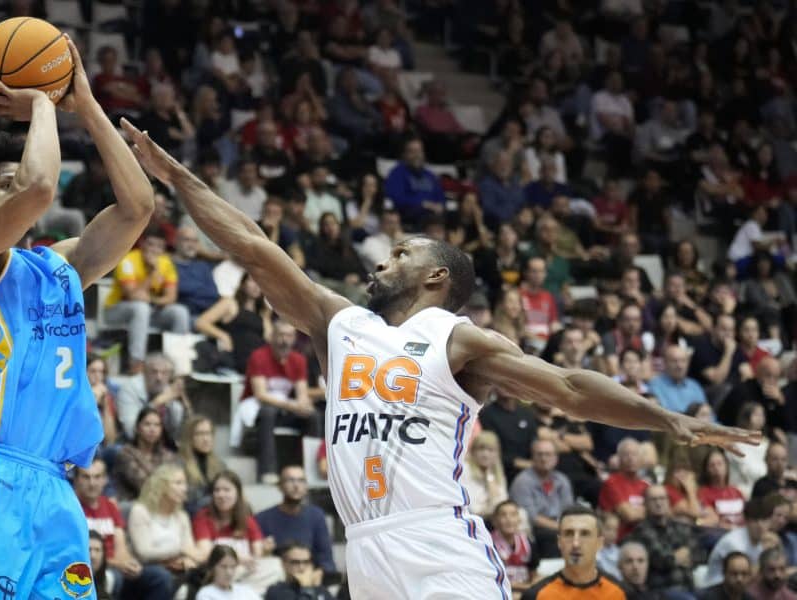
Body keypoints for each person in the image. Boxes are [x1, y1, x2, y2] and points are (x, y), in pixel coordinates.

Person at [123, 119, 759, 600]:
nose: (381, 261)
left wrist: (664, 418)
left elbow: (566, 386)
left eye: (401, 254)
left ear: (436, 278)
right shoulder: (339, 323)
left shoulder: (457, 339)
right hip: (364, 549)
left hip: (437, 540)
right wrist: (178, 178)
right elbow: (258, 250)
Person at [0, 37, 156, 599]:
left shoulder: (60, 267)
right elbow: (39, 187)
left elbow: (138, 208)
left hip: (57, 491)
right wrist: (40, 105)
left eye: (15, 178)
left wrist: (85, 104)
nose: (17, 190)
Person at [233, 320, 319, 483]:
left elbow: (301, 392)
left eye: (288, 336)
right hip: (257, 407)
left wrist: (302, 405)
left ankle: (307, 470)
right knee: (268, 412)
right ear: (272, 337)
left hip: (284, 407)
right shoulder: (259, 356)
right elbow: (260, 395)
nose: (284, 340)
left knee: (312, 416)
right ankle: (268, 471)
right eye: (280, 335)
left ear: (294, 339)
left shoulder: (298, 360)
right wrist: (292, 405)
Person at [75, 458, 174, 599]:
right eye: (86, 477)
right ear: (77, 480)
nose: (92, 483)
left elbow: (120, 548)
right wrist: (117, 564)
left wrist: (129, 564)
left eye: (97, 477)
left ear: (105, 480)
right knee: (113, 577)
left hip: (116, 567)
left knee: (159, 576)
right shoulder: (72, 507)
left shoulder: (110, 506)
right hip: (87, 567)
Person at [104, 226, 191, 373]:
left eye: (159, 246)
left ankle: (177, 367)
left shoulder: (166, 263)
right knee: (140, 308)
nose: (154, 250)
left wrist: (152, 300)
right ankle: (136, 363)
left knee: (179, 312)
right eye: (151, 244)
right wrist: (152, 273)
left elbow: (171, 297)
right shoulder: (128, 260)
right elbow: (133, 296)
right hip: (116, 311)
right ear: (143, 243)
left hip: (149, 310)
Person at [192, 471, 284, 593]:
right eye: (217, 490)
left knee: (276, 565)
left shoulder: (247, 519)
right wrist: (237, 558)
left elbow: (257, 554)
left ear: (237, 493)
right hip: (217, 572)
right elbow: (205, 553)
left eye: (226, 490)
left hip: (243, 573)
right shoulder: (203, 517)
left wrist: (265, 548)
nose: (221, 495)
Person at [521, 506, 628, 599]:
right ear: (559, 542)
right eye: (569, 534)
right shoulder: (535, 596)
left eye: (585, 534)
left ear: (599, 543)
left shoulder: (621, 594)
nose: (576, 543)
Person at [127, 464, 204, 594]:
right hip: (146, 571)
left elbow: (189, 550)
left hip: (175, 569)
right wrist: (179, 550)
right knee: (162, 576)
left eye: (184, 483)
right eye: (178, 483)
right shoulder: (140, 511)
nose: (184, 488)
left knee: (200, 574)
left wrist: (186, 561)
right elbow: (144, 552)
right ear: (161, 485)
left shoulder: (182, 516)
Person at [256, 465, 336, 573]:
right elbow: (258, 560)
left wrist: (317, 575)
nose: (296, 485)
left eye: (301, 480)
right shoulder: (262, 519)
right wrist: (264, 552)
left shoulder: (316, 516)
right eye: (290, 480)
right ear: (280, 486)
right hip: (276, 577)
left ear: (306, 487)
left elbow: (326, 558)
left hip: (310, 577)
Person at [626, 485, 703, 594]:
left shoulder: (679, 526)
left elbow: (699, 554)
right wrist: (680, 556)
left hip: (689, 587)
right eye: (654, 499)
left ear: (668, 501)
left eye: (662, 498)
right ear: (646, 504)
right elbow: (661, 560)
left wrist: (678, 557)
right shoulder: (641, 530)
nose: (658, 503)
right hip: (662, 591)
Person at [509, 439, 573, 558]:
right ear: (532, 457)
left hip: (560, 526)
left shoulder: (562, 480)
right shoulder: (522, 481)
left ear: (556, 458)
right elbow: (531, 517)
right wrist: (561, 527)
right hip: (533, 531)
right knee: (553, 537)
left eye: (548, 454)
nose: (544, 459)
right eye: (539, 454)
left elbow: (568, 511)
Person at [111, 407, 179, 500]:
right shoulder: (126, 454)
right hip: (133, 504)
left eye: (157, 425)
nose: (152, 429)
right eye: (147, 424)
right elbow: (145, 485)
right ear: (137, 428)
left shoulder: (167, 455)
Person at [705, 498, 775, 587]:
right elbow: (741, 577)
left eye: (764, 520)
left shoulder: (767, 540)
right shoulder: (733, 543)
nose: (760, 525)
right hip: (717, 589)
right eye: (755, 521)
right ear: (746, 521)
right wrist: (766, 555)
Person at [598, 438, 650, 539]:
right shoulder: (611, 482)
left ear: (641, 459)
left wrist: (636, 510)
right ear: (619, 459)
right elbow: (629, 515)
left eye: (635, 454)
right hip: (621, 539)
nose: (631, 458)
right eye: (626, 455)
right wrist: (646, 511)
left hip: (645, 537)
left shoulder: (645, 485)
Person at [491, 500, 539, 594]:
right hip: (499, 593)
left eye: (513, 514)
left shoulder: (528, 542)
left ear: (519, 519)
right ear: (495, 521)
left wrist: (533, 585)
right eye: (503, 515)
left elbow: (534, 572)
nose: (509, 519)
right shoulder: (489, 544)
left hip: (526, 591)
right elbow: (492, 579)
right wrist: (526, 587)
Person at [460, 430, 509, 519]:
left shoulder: (497, 473)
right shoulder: (464, 470)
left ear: (497, 453)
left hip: (493, 521)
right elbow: (473, 509)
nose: (485, 454)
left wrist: (490, 479)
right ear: (473, 451)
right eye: (481, 449)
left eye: (491, 450)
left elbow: (502, 505)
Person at [265, 542, 336, 600]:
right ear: (284, 564)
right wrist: (306, 588)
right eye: (295, 562)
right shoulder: (276, 592)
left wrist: (314, 588)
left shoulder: (320, 589)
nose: (302, 567)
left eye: (306, 562)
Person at [195, 545, 261, 600]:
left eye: (233, 567)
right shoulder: (206, 595)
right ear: (213, 567)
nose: (229, 572)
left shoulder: (246, 590)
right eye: (223, 567)